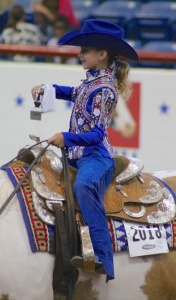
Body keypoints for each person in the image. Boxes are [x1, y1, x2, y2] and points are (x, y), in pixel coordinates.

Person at [31, 19, 139, 282]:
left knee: (83, 186)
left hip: (97, 158)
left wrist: (65, 137)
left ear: (102, 54)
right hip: (79, 155)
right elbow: (73, 93)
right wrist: (49, 90)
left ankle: (103, 258)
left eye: (85, 50)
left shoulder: (104, 89)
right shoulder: (91, 83)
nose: (79, 54)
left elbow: (96, 135)